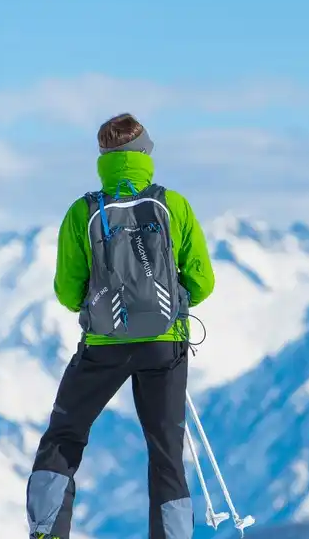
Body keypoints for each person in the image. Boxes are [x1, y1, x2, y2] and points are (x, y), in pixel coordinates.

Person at [26, 113, 216, 539]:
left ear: (103, 156)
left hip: (102, 344)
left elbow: (67, 290)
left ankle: (47, 533)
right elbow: (203, 281)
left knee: (64, 435)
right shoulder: (173, 205)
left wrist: (100, 306)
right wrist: (172, 302)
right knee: (166, 454)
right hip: (164, 344)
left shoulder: (82, 211)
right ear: (146, 153)